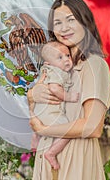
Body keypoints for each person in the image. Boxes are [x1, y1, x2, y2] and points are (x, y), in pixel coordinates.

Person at [27, 0, 110, 180]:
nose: (64, 28)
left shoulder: (93, 65)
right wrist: (32, 94)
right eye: (57, 22)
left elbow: (92, 127)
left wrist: (43, 130)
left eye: (70, 20)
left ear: (85, 22)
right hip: (48, 158)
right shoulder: (57, 67)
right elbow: (40, 102)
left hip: (76, 158)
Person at [30, 41, 79, 170]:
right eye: (60, 58)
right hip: (50, 111)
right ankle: (51, 153)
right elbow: (54, 88)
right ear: (48, 63)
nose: (66, 60)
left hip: (40, 110)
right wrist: (69, 97)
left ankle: (36, 137)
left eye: (68, 55)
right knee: (68, 131)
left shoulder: (49, 70)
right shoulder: (57, 72)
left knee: (42, 126)